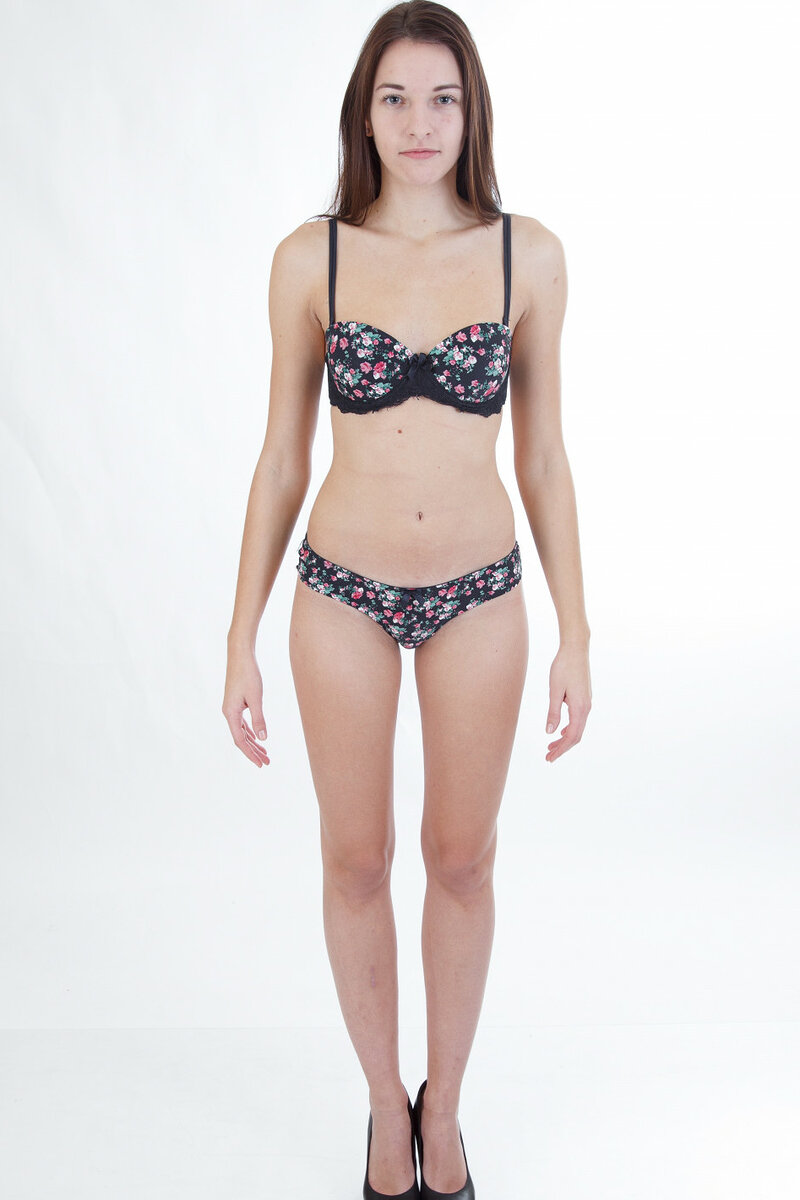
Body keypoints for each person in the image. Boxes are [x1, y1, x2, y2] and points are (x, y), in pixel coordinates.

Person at [222, 2, 592, 1196]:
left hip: (480, 594)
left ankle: (448, 1110)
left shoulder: (526, 256)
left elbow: (544, 459)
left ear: (470, 112)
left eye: (442, 98)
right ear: (364, 114)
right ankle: (387, 1107)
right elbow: (280, 461)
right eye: (395, 98)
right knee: (355, 861)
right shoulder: (310, 259)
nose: (419, 121)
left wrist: (576, 633)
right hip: (339, 593)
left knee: (462, 861)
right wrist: (237, 637)